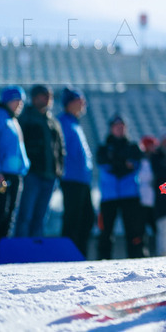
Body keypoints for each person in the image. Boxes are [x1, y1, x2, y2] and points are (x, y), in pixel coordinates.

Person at [0, 86, 30, 251]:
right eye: (16, 100)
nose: (19, 104)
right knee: (0, 210)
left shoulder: (13, 119)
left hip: (15, 174)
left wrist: (24, 167)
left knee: (10, 212)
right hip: (1, 174)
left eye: (21, 101)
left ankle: (2, 247)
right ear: (7, 100)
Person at [15, 84, 65, 238]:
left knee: (41, 217)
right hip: (32, 175)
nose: (48, 98)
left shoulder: (53, 121)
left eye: (49, 95)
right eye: (44, 95)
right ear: (35, 98)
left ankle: (35, 253)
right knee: (25, 215)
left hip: (49, 176)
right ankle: (21, 251)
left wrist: (59, 170)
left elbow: (60, 149)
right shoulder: (25, 118)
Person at [96, 114, 147, 259]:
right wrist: (124, 164)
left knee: (134, 231)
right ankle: (103, 260)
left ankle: (137, 259)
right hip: (109, 196)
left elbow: (135, 164)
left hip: (130, 194)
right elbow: (105, 164)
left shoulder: (133, 146)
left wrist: (117, 162)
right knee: (105, 231)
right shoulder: (104, 147)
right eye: (117, 126)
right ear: (111, 128)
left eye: (122, 126)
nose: (120, 129)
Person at [58, 88, 95, 258]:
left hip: (82, 179)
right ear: (70, 103)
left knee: (87, 218)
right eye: (80, 100)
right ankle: (69, 255)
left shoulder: (74, 123)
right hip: (71, 178)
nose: (83, 104)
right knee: (72, 218)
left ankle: (80, 254)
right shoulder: (63, 122)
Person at [137, 134, 158, 255]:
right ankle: (142, 253)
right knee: (141, 231)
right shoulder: (141, 160)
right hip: (143, 201)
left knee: (157, 229)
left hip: (154, 201)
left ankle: (157, 252)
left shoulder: (157, 159)